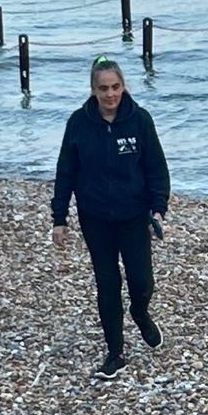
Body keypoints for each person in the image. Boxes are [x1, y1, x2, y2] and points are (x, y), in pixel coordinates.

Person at [50, 55, 170, 380]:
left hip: (134, 216)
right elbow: (66, 173)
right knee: (107, 283)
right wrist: (59, 218)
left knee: (141, 282)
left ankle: (140, 312)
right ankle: (115, 352)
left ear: (123, 86)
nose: (110, 94)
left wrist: (158, 208)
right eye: (103, 88)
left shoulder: (139, 120)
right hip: (95, 218)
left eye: (115, 87)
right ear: (93, 90)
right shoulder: (78, 123)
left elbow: (157, 168)